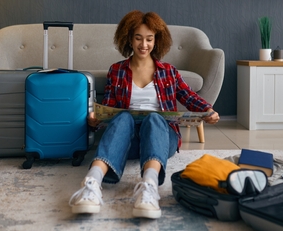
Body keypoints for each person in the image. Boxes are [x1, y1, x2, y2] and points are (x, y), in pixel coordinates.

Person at [69, 10, 220, 219]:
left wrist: (207, 110)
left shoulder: (168, 71)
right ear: (129, 39)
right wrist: (96, 119)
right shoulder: (117, 70)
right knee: (122, 117)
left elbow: (188, 96)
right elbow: (109, 107)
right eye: (138, 38)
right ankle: (91, 184)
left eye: (149, 39)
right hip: (127, 141)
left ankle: (149, 187)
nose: (144, 45)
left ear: (157, 41)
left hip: (161, 137)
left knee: (154, 117)